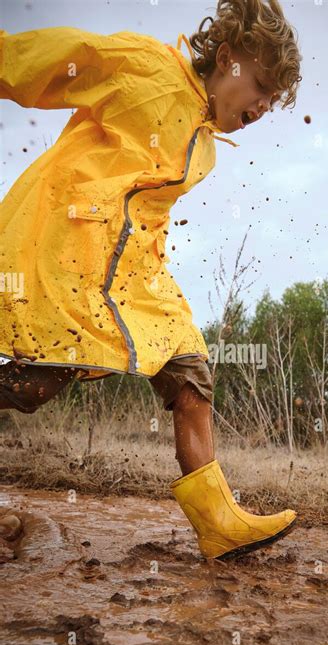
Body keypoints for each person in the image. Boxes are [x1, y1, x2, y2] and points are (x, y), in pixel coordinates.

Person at [0, 0, 302, 559]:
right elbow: (56, 58)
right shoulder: (147, 68)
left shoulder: (207, 144)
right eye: (260, 85)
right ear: (228, 58)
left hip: (138, 278)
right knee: (33, 387)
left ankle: (218, 523)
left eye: (272, 98)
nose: (262, 104)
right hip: (70, 254)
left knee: (191, 374)